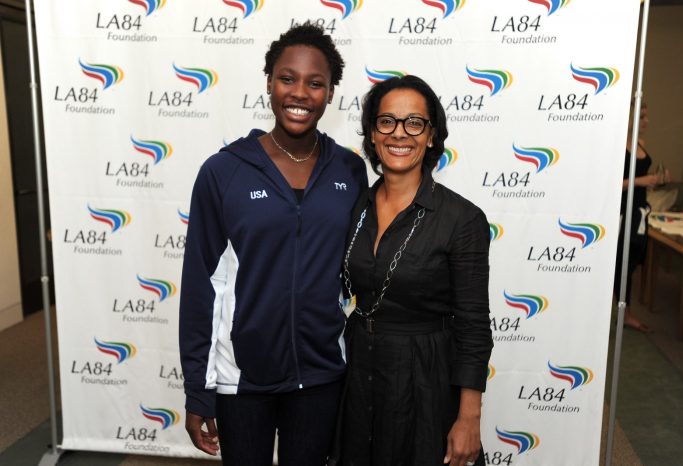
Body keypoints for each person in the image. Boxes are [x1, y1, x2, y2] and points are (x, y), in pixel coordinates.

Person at [179, 23, 368, 466]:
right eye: (288, 78)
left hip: (322, 374)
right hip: (243, 379)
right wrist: (197, 389)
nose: (300, 93)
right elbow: (200, 286)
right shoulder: (223, 173)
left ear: (330, 92)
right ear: (269, 82)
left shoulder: (349, 171)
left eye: (315, 83)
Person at [331, 75, 492, 466]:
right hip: (358, 371)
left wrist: (469, 417)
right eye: (387, 121)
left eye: (414, 123)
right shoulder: (355, 205)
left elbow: (473, 325)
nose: (399, 134)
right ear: (372, 133)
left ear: (432, 135)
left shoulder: (461, 219)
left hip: (425, 378)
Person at [614, 102, 667, 333]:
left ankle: (625, 312)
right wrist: (641, 181)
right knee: (619, 265)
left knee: (632, 262)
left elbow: (642, 180)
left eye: (646, 116)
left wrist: (655, 181)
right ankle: (622, 312)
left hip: (639, 213)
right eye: (642, 116)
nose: (646, 121)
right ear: (629, 117)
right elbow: (612, 184)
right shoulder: (617, 146)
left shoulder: (640, 144)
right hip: (622, 212)